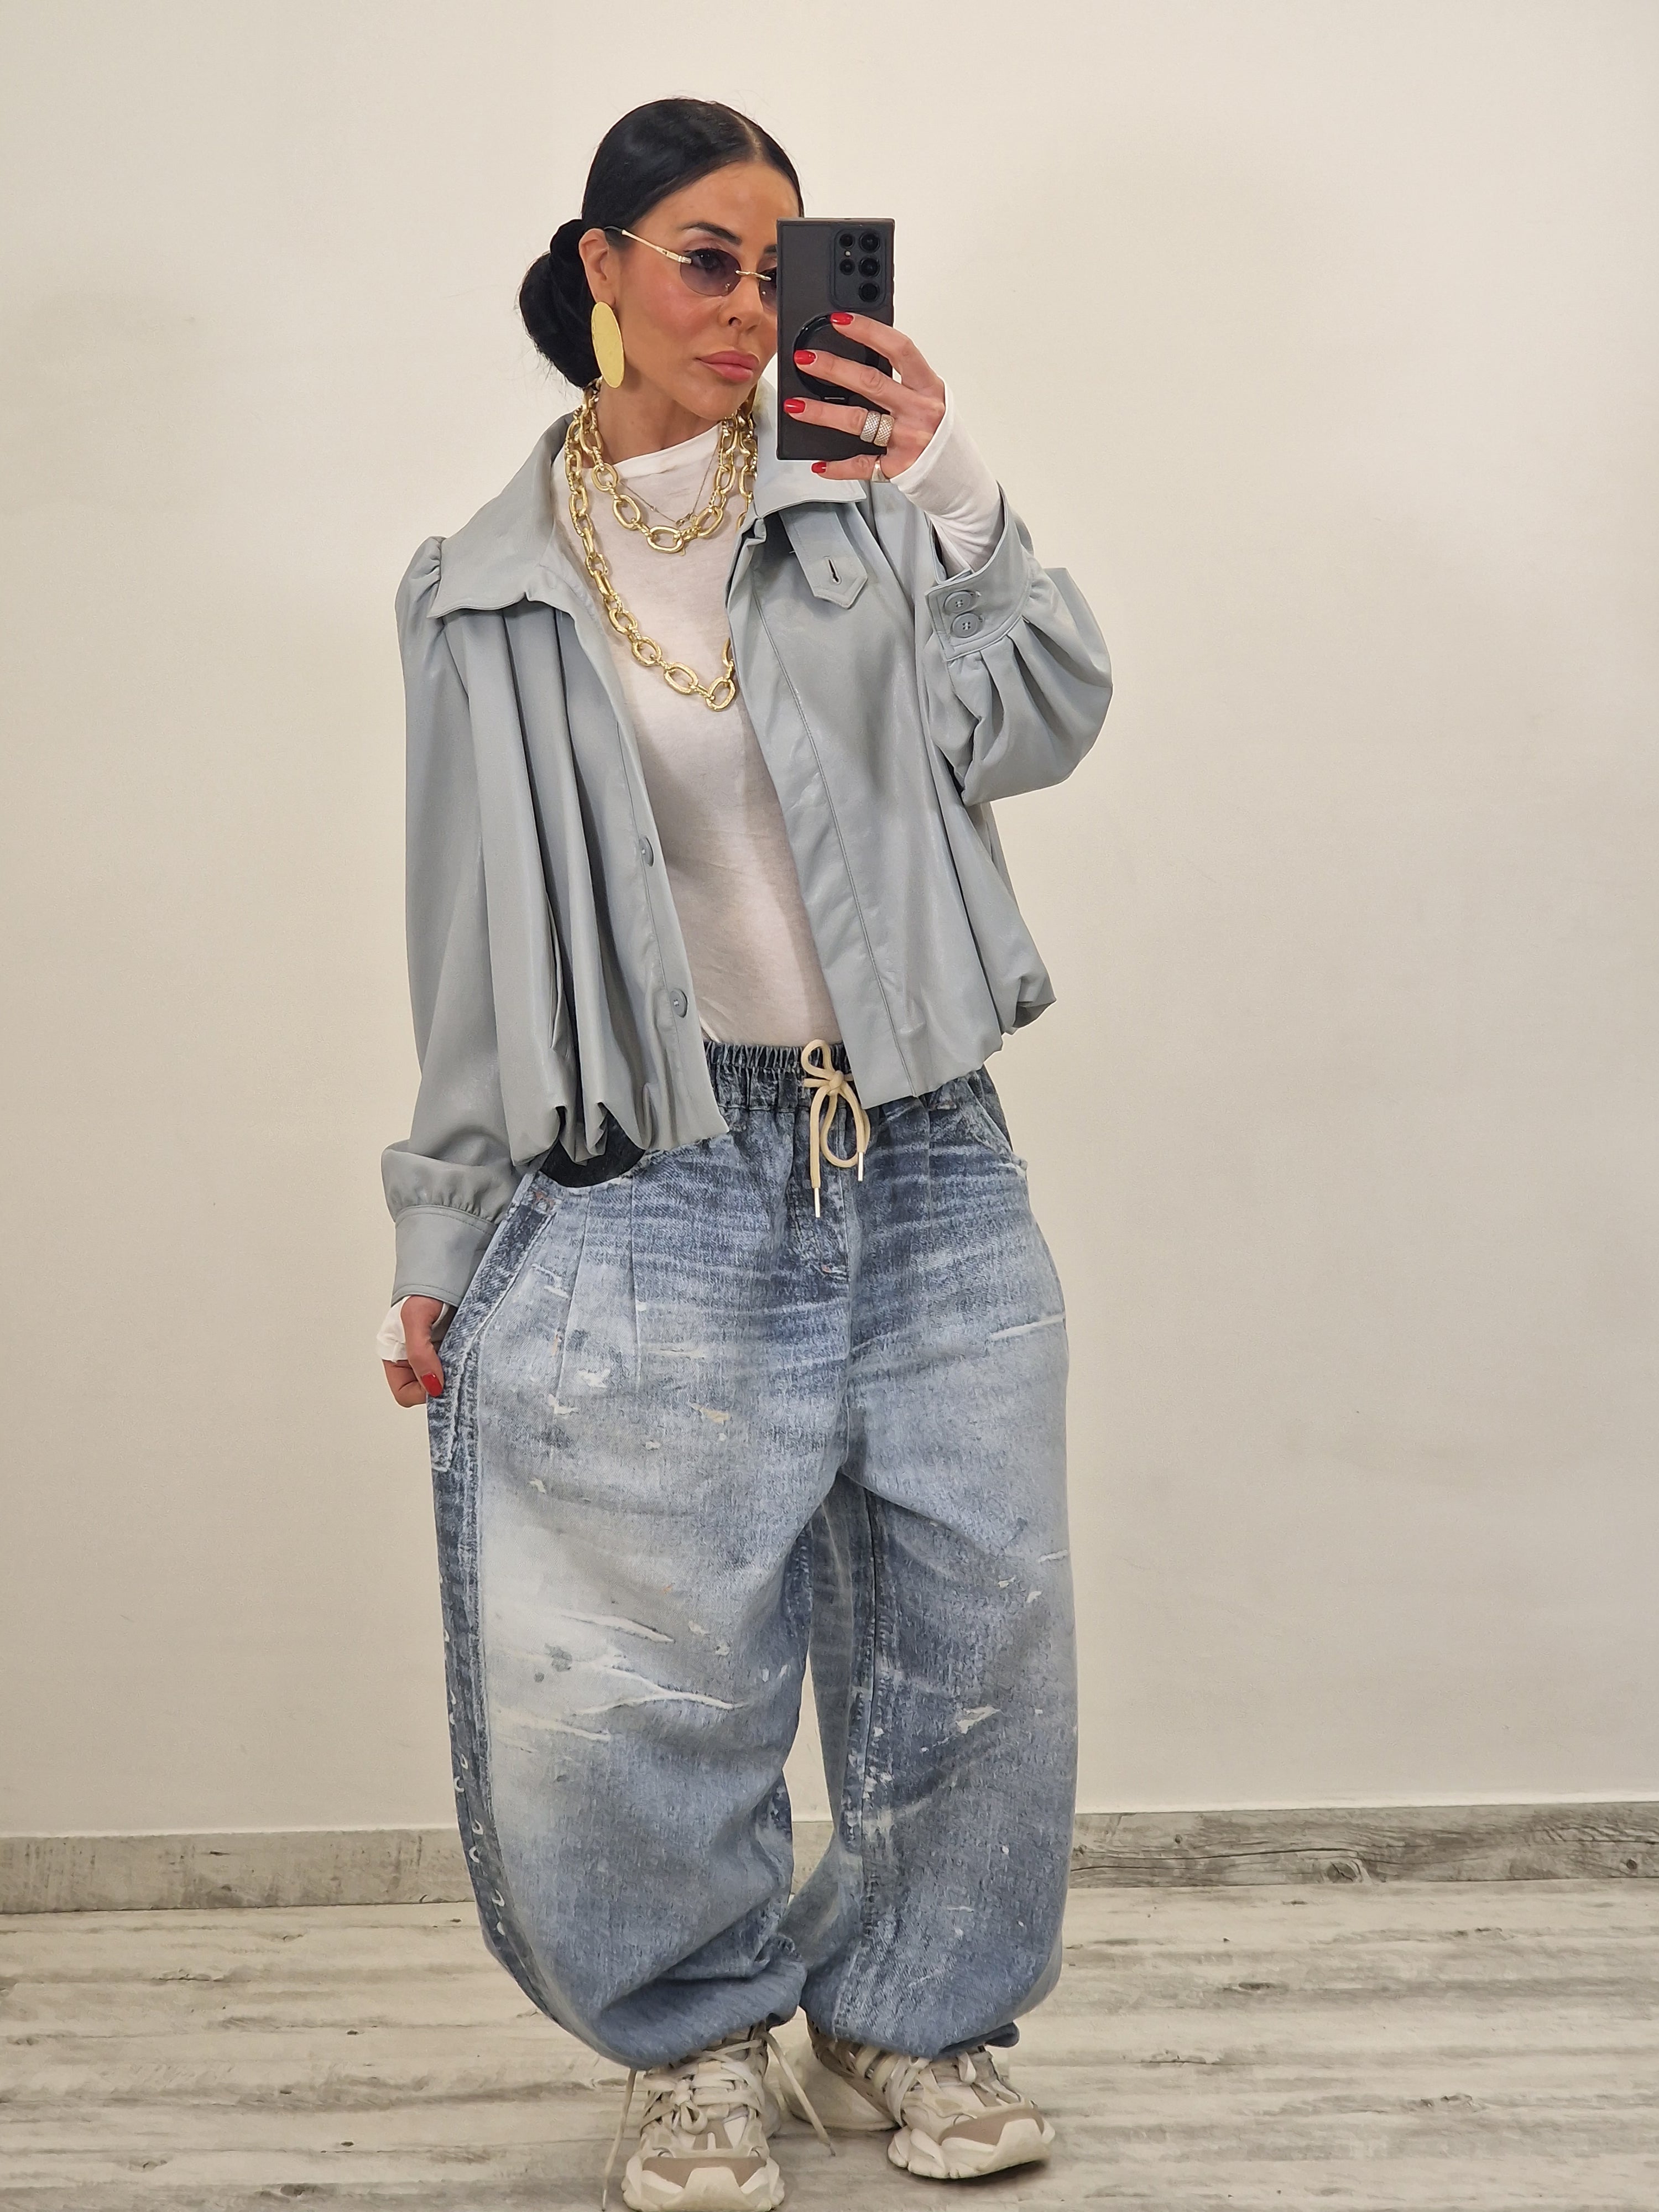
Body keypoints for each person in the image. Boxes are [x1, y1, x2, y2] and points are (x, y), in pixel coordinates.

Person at [377, 96, 1111, 2212]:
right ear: (597, 267)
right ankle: (694, 2046)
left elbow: (1046, 717)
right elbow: (469, 946)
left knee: (977, 1618)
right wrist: (441, 1227)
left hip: (928, 1144)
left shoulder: (854, 518)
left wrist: (950, 482)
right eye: (708, 258)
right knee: (648, 1657)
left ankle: (913, 2019)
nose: (749, 308)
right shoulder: (480, 596)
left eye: (784, 271)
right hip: (656, 1171)